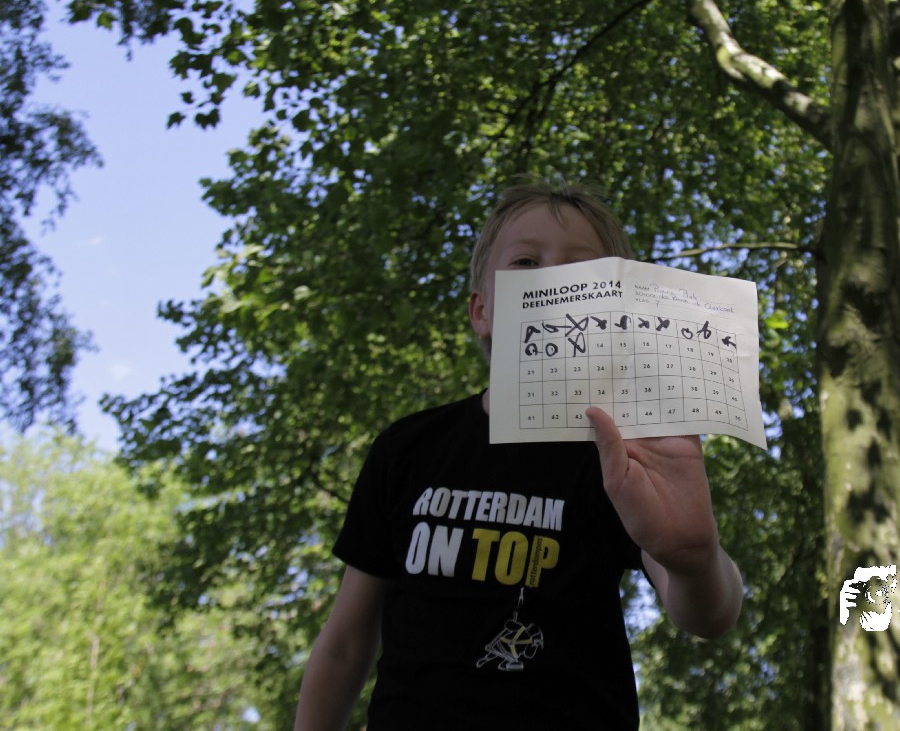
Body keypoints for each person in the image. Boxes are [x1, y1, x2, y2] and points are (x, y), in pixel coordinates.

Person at [294, 180, 744, 729]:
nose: (552, 280)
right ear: (481, 311)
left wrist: (695, 558)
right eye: (527, 262)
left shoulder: (624, 460)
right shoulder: (407, 448)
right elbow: (344, 642)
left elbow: (710, 614)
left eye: (582, 272)